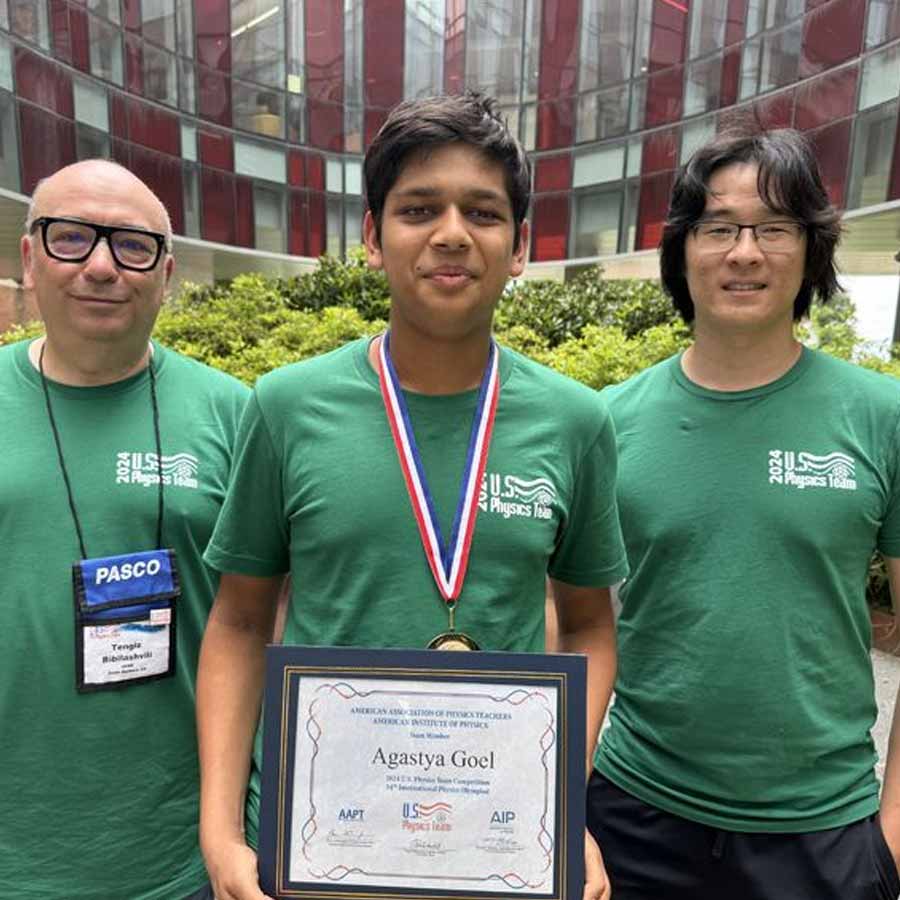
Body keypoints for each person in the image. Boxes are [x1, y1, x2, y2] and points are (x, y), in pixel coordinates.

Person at [196, 92, 628, 900]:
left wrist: (557, 806)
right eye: (419, 209)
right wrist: (220, 836)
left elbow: (588, 627)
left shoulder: (575, 421)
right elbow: (240, 620)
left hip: (495, 845)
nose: (452, 233)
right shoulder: (287, 406)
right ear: (372, 237)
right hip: (312, 842)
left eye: (483, 212)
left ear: (520, 246)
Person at [587, 128, 900, 900]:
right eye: (719, 227)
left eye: (775, 227)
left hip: (824, 832)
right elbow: (572, 626)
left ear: (811, 248)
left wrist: (892, 840)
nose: (746, 253)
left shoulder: (882, 417)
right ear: (682, 249)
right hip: (634, 818)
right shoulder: (606, 422)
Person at [0, 159, 249, 900]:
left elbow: (271, 618)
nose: (102, 267)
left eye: (133, 246)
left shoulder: (235, 414)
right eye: (71, 237)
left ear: (166, 275)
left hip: (185, 857)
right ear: (29, 259)